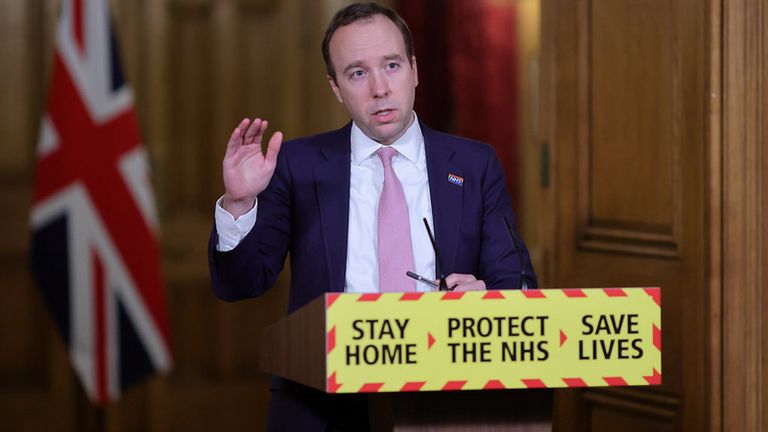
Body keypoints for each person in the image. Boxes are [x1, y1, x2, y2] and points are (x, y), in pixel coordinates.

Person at [208, 2, 537, 430]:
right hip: (324, 406)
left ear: (415, 70)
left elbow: (519, 285)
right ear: (336, 87)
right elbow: (241, 284)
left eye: (392, 65)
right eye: (357, 73)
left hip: (447, 403)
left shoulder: (474, 165)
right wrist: (238, 204)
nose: (379, 88)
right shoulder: (298, 165)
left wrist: (486, 299)